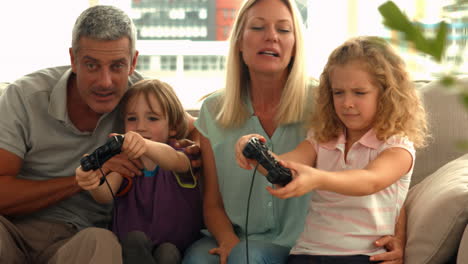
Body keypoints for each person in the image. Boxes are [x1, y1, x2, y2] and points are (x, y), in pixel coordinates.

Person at [182, 1, 405, 264]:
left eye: (284, 30)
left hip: (306, 242)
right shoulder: (213, 110)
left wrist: (399, 236)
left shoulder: (328, 103)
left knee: (247, 258)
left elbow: (380, 174)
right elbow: (212, 203)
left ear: (296, 44)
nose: (272, 37)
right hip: (236, 235)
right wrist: (227, 239)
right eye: (258, 27)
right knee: (198, 259)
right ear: (239, 41)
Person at [0, 5, 198, 264]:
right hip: (12, 230)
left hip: (80, 240)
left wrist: (190, 148)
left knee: (102, 242)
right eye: (92, 65)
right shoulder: (24, 97)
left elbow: (195, 129)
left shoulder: (140, 99)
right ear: (73, 59)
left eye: (117, 66)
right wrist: (82, 178)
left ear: (133, 62)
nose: (105, 81)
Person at [235, 36, 428, 264]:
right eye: (338, 93)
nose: (347, 103)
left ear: (386, 95)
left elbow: (370, 181)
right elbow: (286, 165)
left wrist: (318, 179)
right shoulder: (322, 139)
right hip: (307, 254)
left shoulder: (397, 146)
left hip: (364, 256)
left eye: (359, 93)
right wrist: (254, 152)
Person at [76, 79, 203, 264]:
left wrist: (144, 145)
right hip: (133, 248)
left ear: (174, 126)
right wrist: (92, 180)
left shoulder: (181, 156)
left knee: (168, 252)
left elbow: (174, 160)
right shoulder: (125, 163)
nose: (140, 127)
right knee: (134, 240)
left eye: (152, 118)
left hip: (177, 247)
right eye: (132, 119)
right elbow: (104, 195)